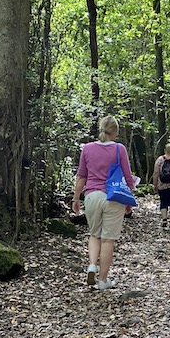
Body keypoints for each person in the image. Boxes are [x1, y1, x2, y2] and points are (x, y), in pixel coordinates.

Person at [71, 115, 136, 290]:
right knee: (108, 240)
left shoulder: (87, 148)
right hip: (113, 197)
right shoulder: (119, 149)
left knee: (94, 234)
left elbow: (81, 176)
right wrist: (129, 199)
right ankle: (103, 280)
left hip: (92, 196)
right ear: (115, 131)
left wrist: (76, 198)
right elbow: (128, 177)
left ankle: (92, 265)